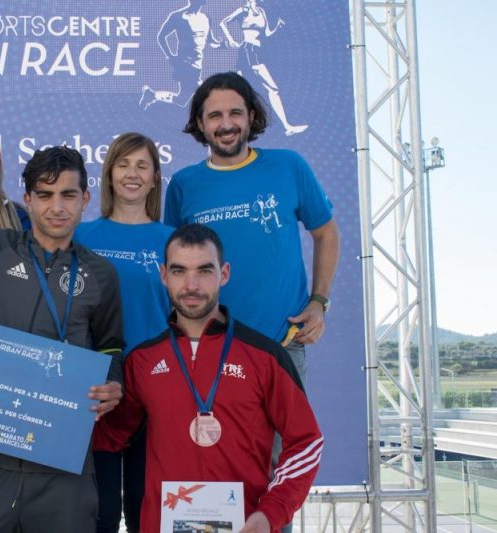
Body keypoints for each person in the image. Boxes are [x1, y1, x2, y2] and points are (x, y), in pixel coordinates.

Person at [165, 70, 339, 533]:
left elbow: (326, 233)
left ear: (252, 116)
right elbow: (175, 261)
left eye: (235, 113)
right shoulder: (183, 185)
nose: (226, 123)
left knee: (278, 472)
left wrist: (319, 300)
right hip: (206, 350)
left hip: (280, 348)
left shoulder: (288, 166)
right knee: (207, 463)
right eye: (214, 115)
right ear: (200, 124)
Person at [94, 224, 323, 533]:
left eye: (204, 271)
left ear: (224, 274)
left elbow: (306, 442)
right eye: (179, 271)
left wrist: (271, 513)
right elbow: (109, 436)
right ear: (163, 275)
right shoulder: (143, 361)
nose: (191, 285)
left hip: (245, 526)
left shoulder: (265, 357)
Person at [0, 146, 125, 533]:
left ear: (85, 200)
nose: (56, 206)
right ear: (26, 199)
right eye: (44, 195)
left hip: (64, 456)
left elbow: (111, 344)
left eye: (68, 194)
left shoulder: (100, 273)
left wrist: (115, 382)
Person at [75, 133, 174, 533]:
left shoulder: (171, 240)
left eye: (142, 166)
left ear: (154, 179)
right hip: (95, 389)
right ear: (109, 175)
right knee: (97, 513)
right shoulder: (81, 236)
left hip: (156, 389)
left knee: (145, 506)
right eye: (123, 164)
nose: (132, 174)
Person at [219, 0, 307, 136]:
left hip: (256, 51)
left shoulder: (262, 12)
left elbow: (266, 33)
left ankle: (230, 127)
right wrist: (231, 40)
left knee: (242, 92)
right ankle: (287, 126)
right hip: (248, 50)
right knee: (271, 88)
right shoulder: (243, 11)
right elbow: (223, 22)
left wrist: (277, 26)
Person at [139, 0, 217, 110]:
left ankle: (151, 95)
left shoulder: (206, 18)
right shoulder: (178, 17)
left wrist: (224, 44)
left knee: (182, 100)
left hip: (197, 64)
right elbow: (161, 36)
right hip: (185, 64)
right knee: (206, 95)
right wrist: (170, 56)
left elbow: (211, 41)